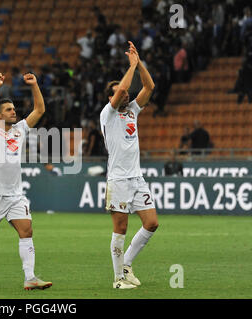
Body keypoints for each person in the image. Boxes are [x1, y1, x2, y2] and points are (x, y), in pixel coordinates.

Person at [0, 72, 52, 291]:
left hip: (15, 194)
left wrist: (35, 84)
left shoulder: (20, 129)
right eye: (8, 110)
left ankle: (30, 277)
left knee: (26, 231)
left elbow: (39, 110)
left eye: (13, 109)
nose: (13, 112)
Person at [100, 41, 158, 289]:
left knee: (152, 223)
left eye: (123, 92)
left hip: (137, 178)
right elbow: (125, 85)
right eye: (118, 92)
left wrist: (139, 62)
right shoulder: (107, 113)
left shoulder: (133, 110)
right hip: (118, 180)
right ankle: (117, 279)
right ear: (111, 97)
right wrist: (131, 67)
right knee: (120, 228)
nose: (124, 93)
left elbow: (150, 86)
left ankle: (126, 265)